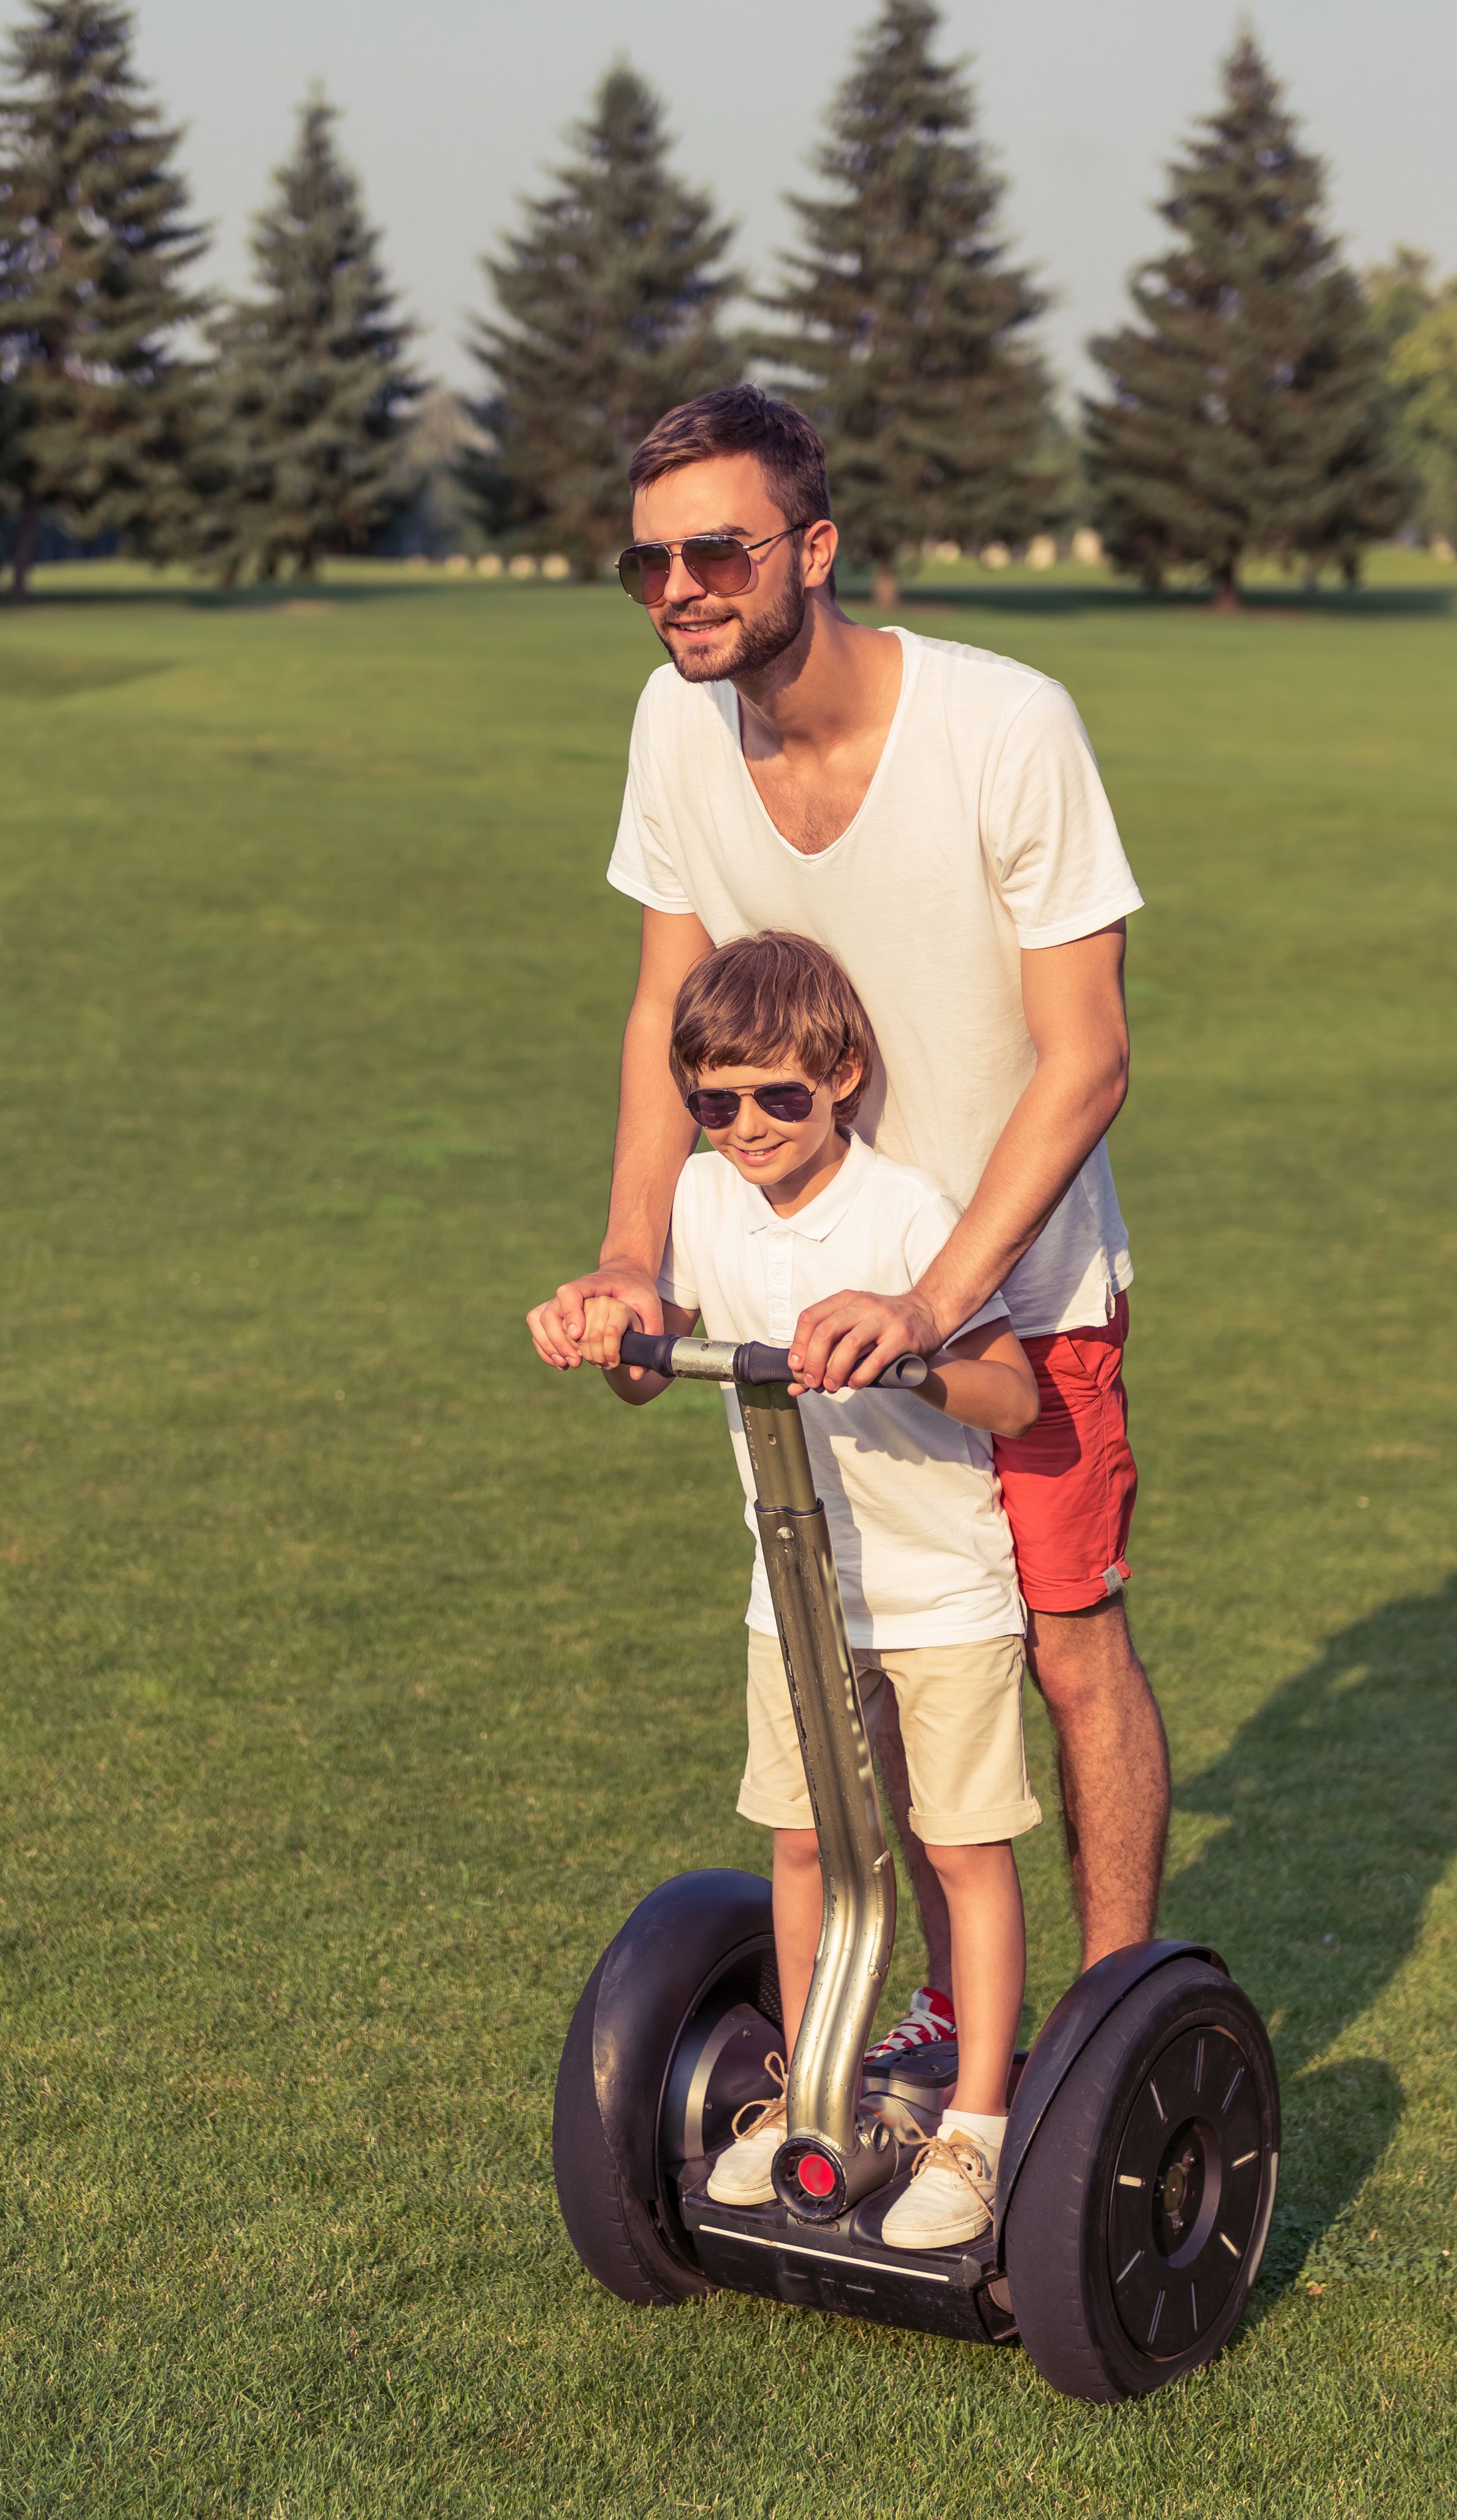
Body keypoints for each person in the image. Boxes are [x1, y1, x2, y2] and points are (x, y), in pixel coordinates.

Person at [527, 385, 1168, 2042]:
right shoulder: (673, 731)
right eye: (650, 560)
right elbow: (665, 1004)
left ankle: (1105, 2032)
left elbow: (1085, 1059)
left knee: (1062, 1647)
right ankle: (929, 2016)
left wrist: (942, 1297)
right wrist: (630, 1256)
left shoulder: (1002, 724)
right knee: (856, 1649)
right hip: (813, 1289)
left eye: (719, 551)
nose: (682, 588)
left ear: (812, 547)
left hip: (1014, 1287)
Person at [533, 930, 1041, 2248]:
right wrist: (601, 1334)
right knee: (806, 1845)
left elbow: (1012, 1392)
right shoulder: (700, 1203)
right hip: (795, 1595)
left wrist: (908, 1350)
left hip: (938, 1595)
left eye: (777, 1097)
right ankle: (812, 2094)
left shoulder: (901, 1212)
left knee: (956, 1848)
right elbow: (645, 1366)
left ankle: (975, 2129)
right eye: (713, 1101)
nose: (744, 1127)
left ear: (843, 1079)